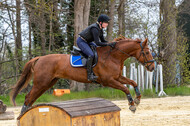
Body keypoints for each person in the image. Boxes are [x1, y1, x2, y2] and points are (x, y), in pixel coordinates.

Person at [77, 14, 116, 81]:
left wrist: (110, 43)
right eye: (106, 22)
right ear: (100, 22)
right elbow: (98, 43)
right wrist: (108, 44)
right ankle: (89, 75)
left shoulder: (100, 29)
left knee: (98, 51)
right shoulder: (95, 29)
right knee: (91, 55)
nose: (107, 24)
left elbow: (103, 41)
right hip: (81, 41)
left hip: (88, 41)